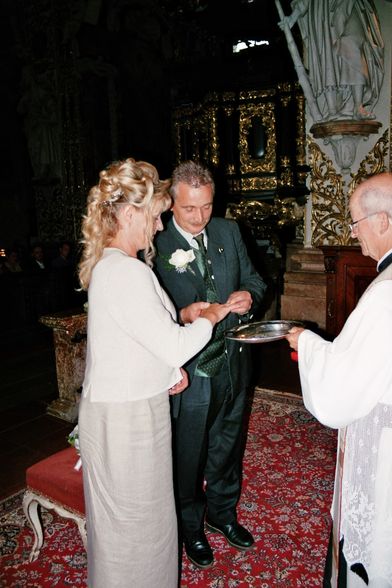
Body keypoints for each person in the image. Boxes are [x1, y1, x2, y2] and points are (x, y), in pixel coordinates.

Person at [77, 157, 231, 588]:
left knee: (140, 526)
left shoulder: (118, 266)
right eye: (155, 217)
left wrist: (172, 354)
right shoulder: (125, 271)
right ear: (129, 215)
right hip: (125, 421)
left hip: (128, 408)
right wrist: (211, 317)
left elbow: (130, 339)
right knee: (135, 533)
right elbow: (172, 344)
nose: (160, 228)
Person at [154, 160, 266, 569]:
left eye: (207, 206)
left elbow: (256, 278)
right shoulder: (156, 243)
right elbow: (152, 317)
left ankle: (222, 515)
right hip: (193, 371)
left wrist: (248, 295)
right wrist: (183, 313)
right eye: (190, 209)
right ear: (171, 205)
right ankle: (190, 526)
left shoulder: (228, 230)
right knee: (190, 453)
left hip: (235, 362)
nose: (200, 217)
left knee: (228, 445)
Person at [286, 172, 392, 587]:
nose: (353, 233)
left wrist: (305, 342)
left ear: (382, 221)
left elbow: (341, 390)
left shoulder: (385, 291)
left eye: (355, 222)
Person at [280, 0, 384, 121]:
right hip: (323, 9)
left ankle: (358, 106)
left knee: (353, 43)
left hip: (348, 3)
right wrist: (293, 17)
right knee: (326, 56)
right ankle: (332, 109)